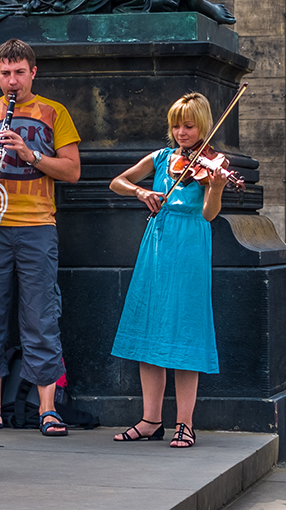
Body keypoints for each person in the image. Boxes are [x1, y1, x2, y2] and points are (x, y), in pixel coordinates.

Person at [0, 39, 81, 437]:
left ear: (33, 72)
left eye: (20, 72)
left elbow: (72, 171)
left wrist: (30, 156)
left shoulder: (54, 112)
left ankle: (47, 409)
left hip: (37, 227)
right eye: (6, 73)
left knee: (41, 316)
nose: (13, 80)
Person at [108, 92, 228, 448]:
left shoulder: (211, 164)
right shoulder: (162, 158)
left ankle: (185, 423)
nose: (181, 132)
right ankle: (150, 420)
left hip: (190, 243)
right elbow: (117, 182)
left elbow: (208, 214)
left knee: (185, 330)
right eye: (176, 126)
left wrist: (217, 185)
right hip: (157, 243)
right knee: (150, 329)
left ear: (203, 124)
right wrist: (140, 192)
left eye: (189, 126)